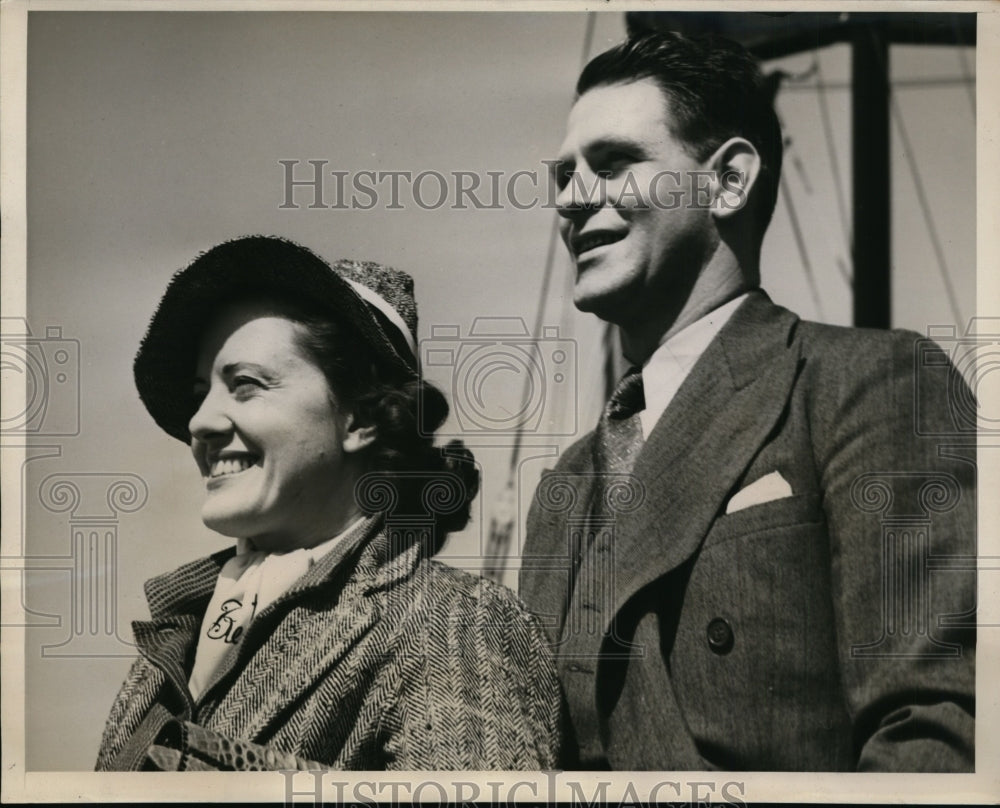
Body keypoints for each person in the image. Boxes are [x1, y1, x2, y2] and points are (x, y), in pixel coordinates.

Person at [519, 30, 975, 771]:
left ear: (728, 180)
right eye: (563, 175)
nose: (572, 199)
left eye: (614, 164)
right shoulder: (565, 488)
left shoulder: (865, 386)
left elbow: (932, 724)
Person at [96, 235, 562, 771]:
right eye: (202, 392)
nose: (200, 422)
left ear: (360, 418)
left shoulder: (453, 621)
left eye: (245, 385)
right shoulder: (175, 639)